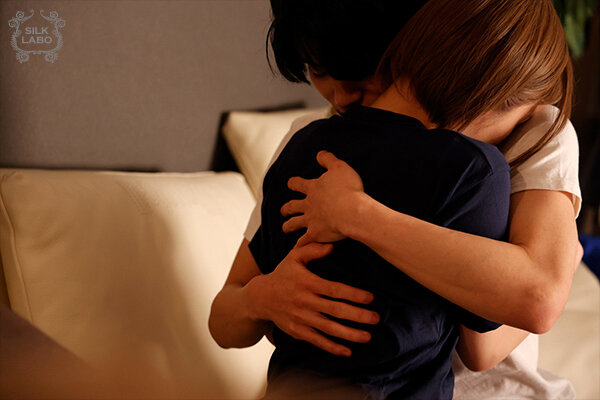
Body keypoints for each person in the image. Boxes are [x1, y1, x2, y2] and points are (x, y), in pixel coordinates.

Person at [210, 0, 581, 398]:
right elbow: (224, 315)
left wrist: (358, 215)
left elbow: (505, 324)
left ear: (407, 49)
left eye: (362, 72)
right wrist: (262, 299)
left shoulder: (530, 133)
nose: (342, 96)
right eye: (319, 71)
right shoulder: (312, 140)